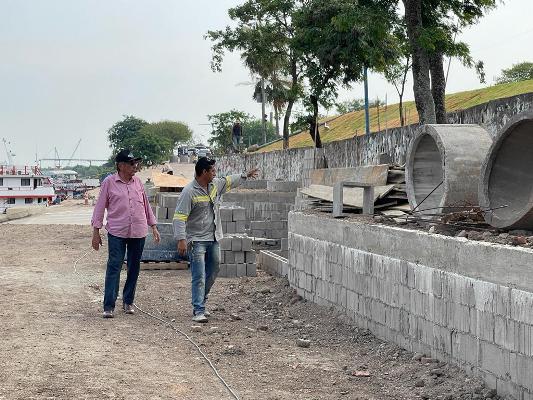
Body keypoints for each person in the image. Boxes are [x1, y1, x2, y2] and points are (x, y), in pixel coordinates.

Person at [173, 157, 259, 323]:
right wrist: (181, 239)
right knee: (199, 275)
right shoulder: (189, 192)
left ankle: (201, 301)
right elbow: (179, 217)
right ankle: (199, 310)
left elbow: (229, 181)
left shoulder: (214, 185)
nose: (215, 173)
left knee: (213, 270)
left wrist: (245, 175)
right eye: (212, 170)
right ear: (204, 172)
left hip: (213, 237)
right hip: (196, 240)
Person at [91, 149, 161, 319]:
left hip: (138, 231)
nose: (135, 166)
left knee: (134, 267)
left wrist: (153, 226)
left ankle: (128, 301)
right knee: (114, 266)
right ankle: (109, 305)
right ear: (121, 166)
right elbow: (100, 207)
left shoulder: (138, 182)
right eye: (131, 163)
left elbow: (145, 205)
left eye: (135, 163)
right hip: (117, 232)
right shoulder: (109, 182)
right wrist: (96, 231)